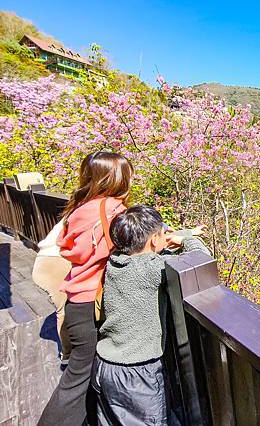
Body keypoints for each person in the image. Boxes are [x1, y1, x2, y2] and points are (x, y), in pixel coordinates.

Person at [39, 151, 133, 426]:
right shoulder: (114, 211)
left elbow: (69, 248)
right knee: (77, 382)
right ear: (117, 179)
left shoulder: (80, 209)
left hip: (76, 302)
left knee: (81, 376)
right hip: (93, 305)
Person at [91, 205, 209, 425]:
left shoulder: (115, 259)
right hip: (137, 375)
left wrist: (182, 234)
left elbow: (150, 255)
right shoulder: (152, 268)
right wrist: (187, 241)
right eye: (162, 233)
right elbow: (200, 259)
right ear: (154, 240)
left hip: (105, 367)